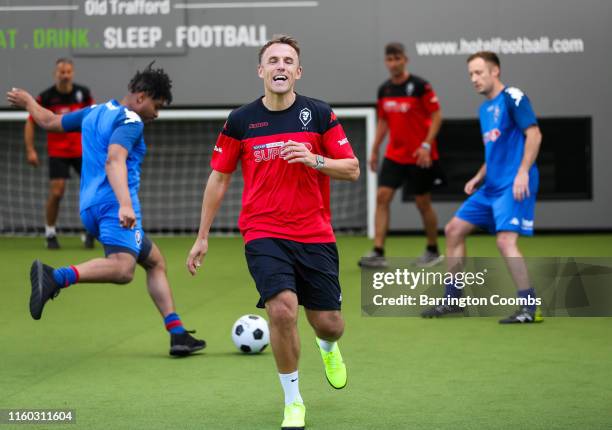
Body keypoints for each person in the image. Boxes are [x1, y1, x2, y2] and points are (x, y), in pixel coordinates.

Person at [186, 35, 359, 430]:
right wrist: (202, 235)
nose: (280, 67)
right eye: (273, 61)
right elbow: (219, 178)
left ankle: (328, 346)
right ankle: (293, 401)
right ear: (261, 70)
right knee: (281, 309)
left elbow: (351, 168)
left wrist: (314, 158)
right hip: (262, 231)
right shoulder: (241, 120)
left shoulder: (319, 114)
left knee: (329, 322)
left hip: (315, 233)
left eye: (288, 61)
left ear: (297, 72)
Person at [7, 63, 206, 355]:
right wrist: (125, 204)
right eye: (157, 105)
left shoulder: (94, 111)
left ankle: (177, 334)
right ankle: (56, 276)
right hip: (115, 204)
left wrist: (28, 102)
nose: (157, 114)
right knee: (124, 270)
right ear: (141, 97)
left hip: (89, 206)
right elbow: (115, 160)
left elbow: (49, 121)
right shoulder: (131, 121)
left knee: (155, 261)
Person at [421, 51, 543, 323]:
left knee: (505, 241)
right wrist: (478, 176)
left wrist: (523, 172)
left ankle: (529, 307)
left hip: (514, 185)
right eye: (471, 75)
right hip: (491, 187)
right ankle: (453, 300)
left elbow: (534, 134)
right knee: (454, 230)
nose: (474, 79)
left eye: (479, 73)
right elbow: (495, 151)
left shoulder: (513, 96)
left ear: (495, 71)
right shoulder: (485, 109)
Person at [359, 42, 444, 268]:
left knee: (422, 203)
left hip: (420, 156)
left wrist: (426, 145)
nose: (394, 63)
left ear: (405, 59)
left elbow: (437, 116)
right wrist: (375, 148)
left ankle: (433, 249)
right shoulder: (384, 90)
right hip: (395, 155)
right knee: (382, 197)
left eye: (398, 58)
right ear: (386, 62)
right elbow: (384, 120)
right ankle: (378, 251)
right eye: (390, 59)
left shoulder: (420, 87)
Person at [24, 58, 96, 249]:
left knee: (93, 191)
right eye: (61, 72)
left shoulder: (84, 94)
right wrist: (30, 149)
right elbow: (31, 121)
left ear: (72, 73)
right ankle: (50, 233)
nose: (65, 75)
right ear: (55, 73)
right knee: (57, 192)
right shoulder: (46, 97)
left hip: (82, 151)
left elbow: (95, 120)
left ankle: (91, 233)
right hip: (58, 152)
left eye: (68, 72)